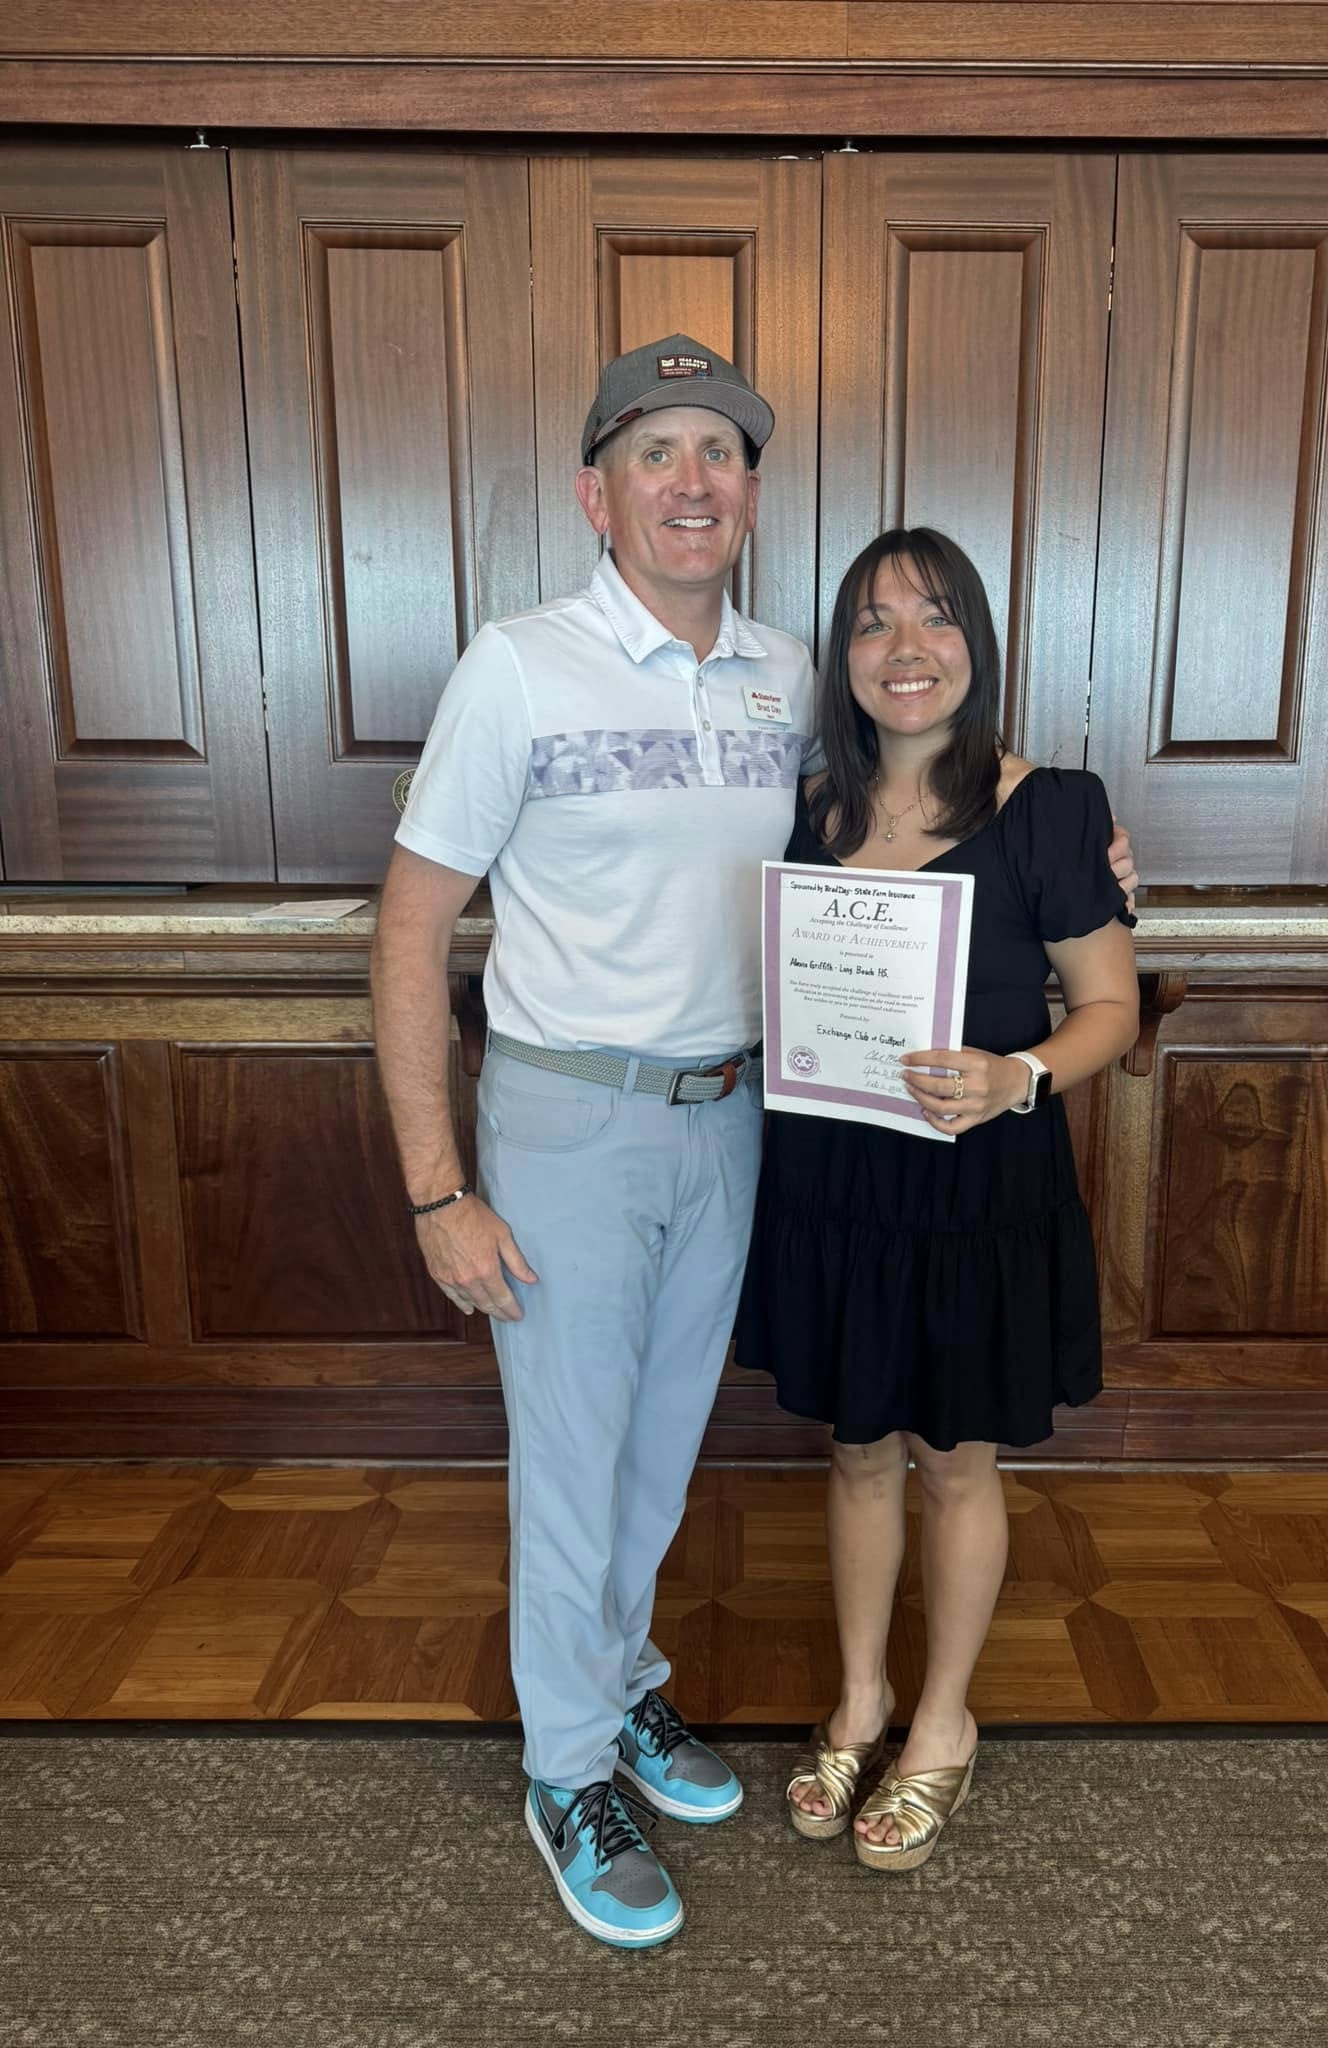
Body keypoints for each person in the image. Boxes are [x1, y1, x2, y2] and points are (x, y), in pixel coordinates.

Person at [372, 335, 1138, 1947]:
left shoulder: (800, 680)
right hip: (569, 1111)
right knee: (572, 1463)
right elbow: (411, 927)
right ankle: (567, 1766)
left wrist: (1080, 839)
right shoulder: (515, 667)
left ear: (753, 495)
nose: (692, 482)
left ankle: (630, 1690)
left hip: (746, 1122)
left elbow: (935, 824)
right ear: (599, 492)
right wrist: (439, 1187)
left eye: (720, 455)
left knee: (658, 1450)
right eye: (658, 453)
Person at [734, 526, 1142, 1872]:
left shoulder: (1057, 808)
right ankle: (858, 1699)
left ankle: (943, 1726)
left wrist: (1016, 1074)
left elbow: (1109, 1012)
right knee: (855, 1445)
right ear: (840, 658)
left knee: (953, 1458)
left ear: (977, 640)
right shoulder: (798, 805)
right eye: (871, 624)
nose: (905, 650)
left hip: (977, 1180)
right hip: (835, 1179)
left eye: (933, 618)